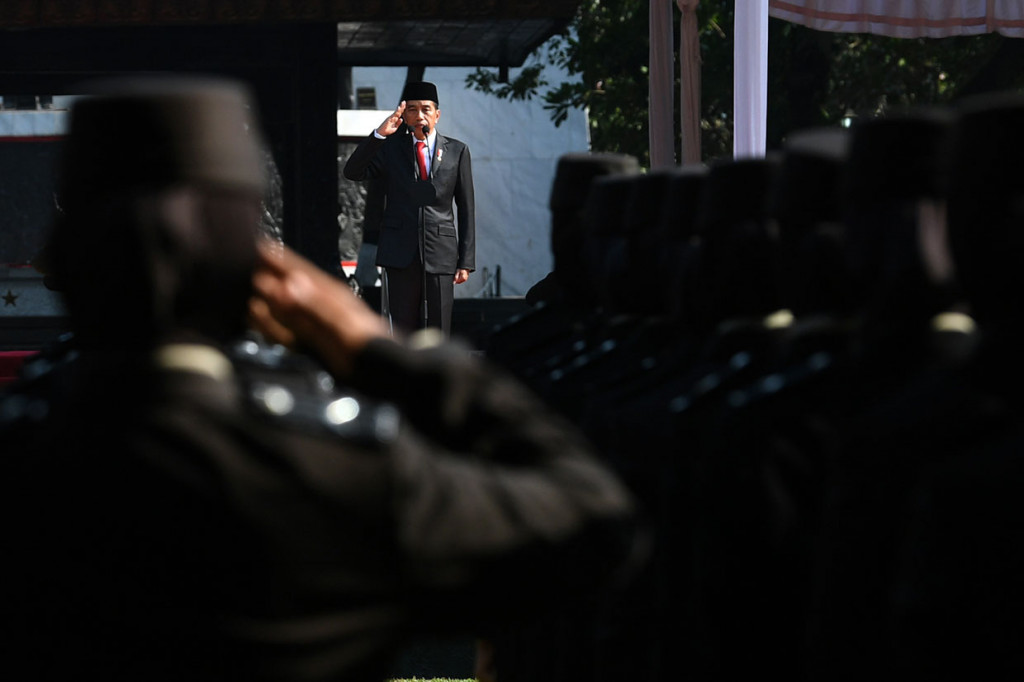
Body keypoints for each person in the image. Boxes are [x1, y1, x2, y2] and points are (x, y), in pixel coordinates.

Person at [1, 76, 643, 682]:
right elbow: (592, 520)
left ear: (71, 250)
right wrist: (376, 349)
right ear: (249, 257)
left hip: (437, 257)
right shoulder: (341, 468)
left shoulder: (25, 456)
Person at [343, 81, 475, 336]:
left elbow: (467, 207)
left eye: (426, 109)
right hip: (400, 251)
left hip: (441, 252)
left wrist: (466, 260)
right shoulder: (391, 148)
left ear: (437, 114)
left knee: (439, 328)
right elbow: (352, 171)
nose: (419, 115)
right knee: (403, 329)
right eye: (412, 109)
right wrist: (380, 135)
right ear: (404, 115)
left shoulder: (457, 151)